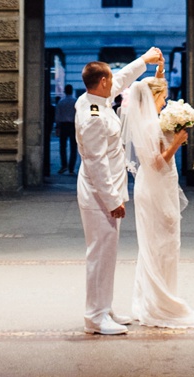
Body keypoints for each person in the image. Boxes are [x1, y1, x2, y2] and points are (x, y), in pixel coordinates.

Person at [74, 46, 163, 336]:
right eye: (109, 79)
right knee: (100, 256)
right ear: (102, 83)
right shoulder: (94, 117)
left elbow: (123, 78)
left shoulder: (94, 100)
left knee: (107, 254)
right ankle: (94, 318)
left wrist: (145, 61)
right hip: (100, 196)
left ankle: (105, 309)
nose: (114, 83)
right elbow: (96, 163)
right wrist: (113, 200)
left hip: (104, 193)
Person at [119, 66, 194, 329]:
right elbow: (157, 164)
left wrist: (160, 69)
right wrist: (177, 143)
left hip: (154, 188)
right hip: (155, 189)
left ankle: (149, 301)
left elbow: (155, 160)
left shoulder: (150, 121)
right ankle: (162, 304)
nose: (166, 100)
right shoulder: (150, 125)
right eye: (163, 97)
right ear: (154, 98)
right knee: (163, 245)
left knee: (155, 246)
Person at [55, 85, 77, 173]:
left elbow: (57, 115)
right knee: (73, 147)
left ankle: (64, 165)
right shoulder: (76, 102)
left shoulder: (61, 102)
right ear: (72, 91)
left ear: (65, 91)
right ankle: (71, 168)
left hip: (63, 125)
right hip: (73, 125)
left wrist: (57, 126)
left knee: (63, 147)